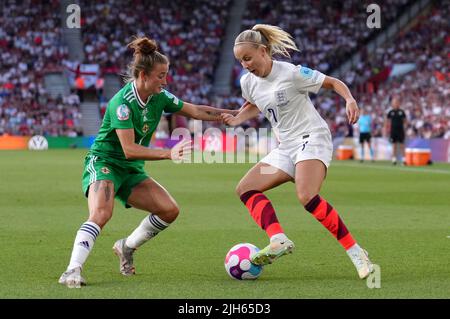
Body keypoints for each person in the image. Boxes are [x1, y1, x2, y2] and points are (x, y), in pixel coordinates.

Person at [59, 36, 236, 288]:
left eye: (166, 75)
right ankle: (72, 270)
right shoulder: (122, 103)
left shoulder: (159, 97)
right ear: (143, 75)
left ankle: (126, 247)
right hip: (105, 162)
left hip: (130, 169)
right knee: (101, 213)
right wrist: (167, 153)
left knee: (169, 210)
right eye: (160, 76)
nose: (165, 81)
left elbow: (195, 110)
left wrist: (232, 114)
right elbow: (129, 149)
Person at [221, 24, 374, 279]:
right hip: (286, 147)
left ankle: (356, 252)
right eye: (240, 61)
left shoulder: (292, 73)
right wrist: (237, 119)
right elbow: (253, 105)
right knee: (245, 188)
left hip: (312, 138)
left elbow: (333, 82)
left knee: (306, 196)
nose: (245, 65)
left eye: (248, 58)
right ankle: (278, 239)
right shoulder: (247, 81)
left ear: (263, 50)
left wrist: (349, 99)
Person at [385, 96, 407, 165]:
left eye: (396, 102)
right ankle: (394, 159)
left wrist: (404, 128)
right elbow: (387, 122)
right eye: (394, 103)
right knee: (394, 145)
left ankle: (404, 160)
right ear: (392, 104)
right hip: (393, 131)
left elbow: (405, 121)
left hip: (400, 131)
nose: (395, 104)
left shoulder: (402, 112)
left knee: (402, 145)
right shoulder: (390, 112)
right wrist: (386, 130)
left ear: (398, 103)